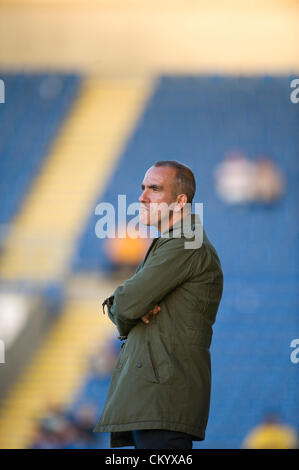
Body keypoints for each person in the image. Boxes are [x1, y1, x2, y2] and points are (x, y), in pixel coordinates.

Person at [93, 160, 223, 449]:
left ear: (179, 202)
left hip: (163, 398)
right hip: (156, 399)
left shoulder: (185, 242)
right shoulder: (172, 241)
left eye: (154, 188)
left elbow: (124, 305)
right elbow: (130, 304)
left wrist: (132, 306)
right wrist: (136, 305)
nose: (142, 197)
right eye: (142, 188)